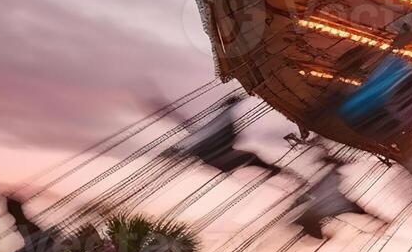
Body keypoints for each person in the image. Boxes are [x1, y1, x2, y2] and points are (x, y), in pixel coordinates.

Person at [164, 95, 295, 181]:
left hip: (216, 156)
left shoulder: (220, 138)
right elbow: (224, 125)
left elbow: (224, 124)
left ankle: (271, 169)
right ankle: (271, 169)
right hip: (218, 156)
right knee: (250, 157)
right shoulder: (220, 139)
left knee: (250, 157)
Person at [288, 150, 382, 241]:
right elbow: (352, 207)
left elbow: (352, 208)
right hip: (328, 198)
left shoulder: (322, 199)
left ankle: (335, 165)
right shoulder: (325, 200)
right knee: (330, 184)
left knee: (330, 184)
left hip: (327, 197)